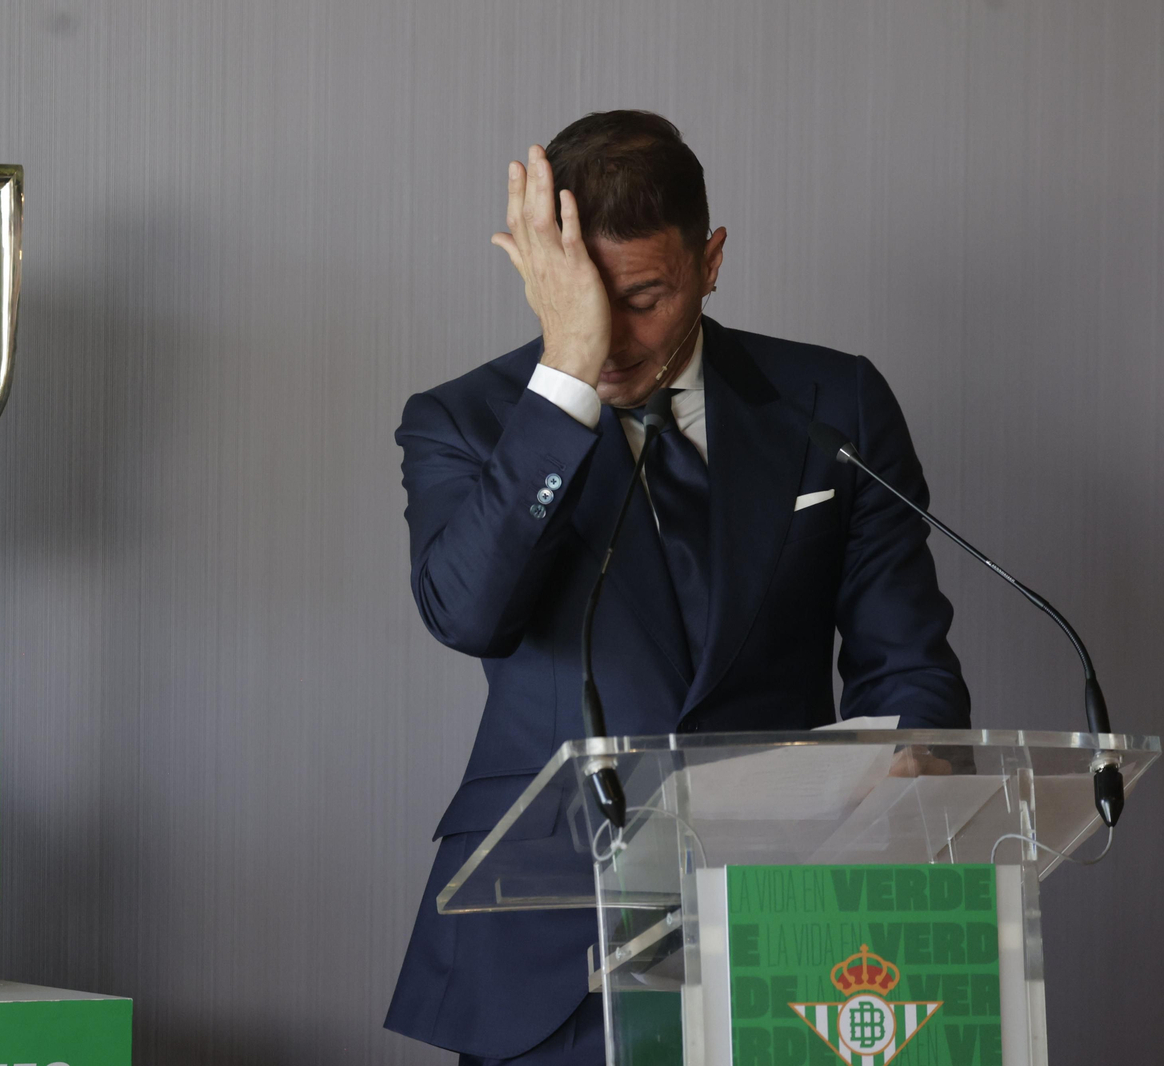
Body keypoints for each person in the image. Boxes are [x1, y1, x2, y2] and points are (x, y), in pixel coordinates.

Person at [385, 111, 970, 1065]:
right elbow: (468, 612)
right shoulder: (465, 421)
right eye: (583, 301)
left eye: (645, 298)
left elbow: (907, 662)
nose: (614, 337)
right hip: (545, 943)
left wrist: (909, 764)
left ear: (712, 260)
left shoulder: (836, 404)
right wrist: (565, 376)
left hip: (791, 921)